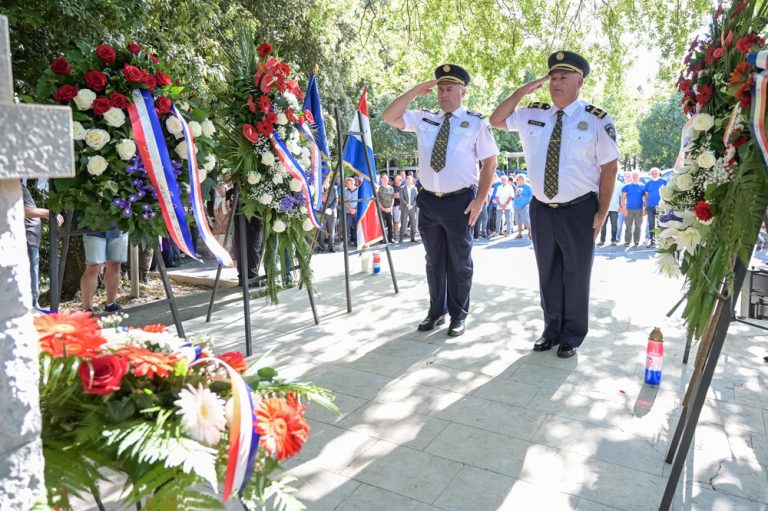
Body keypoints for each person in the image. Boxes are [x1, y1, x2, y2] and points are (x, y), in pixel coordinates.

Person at [490, 50, 619, 357]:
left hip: (579, 208)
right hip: (542, 207)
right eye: (553, 77)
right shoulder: (532, 113)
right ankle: (551, 329)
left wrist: (602, 210)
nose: (556, 83)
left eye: (563, 77)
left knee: (575, 273)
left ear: (580, 82)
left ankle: (572, 336)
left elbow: (609, 167)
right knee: (547, 272)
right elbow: (497, 120)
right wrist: (522, 92)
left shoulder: (596, 119)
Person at [383, 63, 499, 337]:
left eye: (449, 89)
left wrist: (480, 199)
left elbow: (490, 162)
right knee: (434, 261)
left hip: (460, 202)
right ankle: (436, 311)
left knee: (460, 261)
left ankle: (459, 314)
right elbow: (390, 116)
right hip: (429, 201)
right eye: (440, 89)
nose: (443, 94)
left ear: (463, 92)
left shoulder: (475, 122)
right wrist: (414, 91)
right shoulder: (425, 118)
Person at [22, 181, 63, 308]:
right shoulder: (8, 182)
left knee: (31, 282)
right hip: (24, 239)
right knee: (29, 284)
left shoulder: (17, 183)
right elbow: (14, 210)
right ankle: (32, 309)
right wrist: (46, 213)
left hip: (30, 238)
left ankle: (34, 306)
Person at [81, 229, 129, 312]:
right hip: (93, 228)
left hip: (119, 228)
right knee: (93, 266)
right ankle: (87, 309)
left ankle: (111, 305)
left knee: (115, 264)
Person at [226, 187, 262, 285]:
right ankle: (242, 277)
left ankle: (252, 278)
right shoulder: (231, 192)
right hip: (238, 223)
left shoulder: (253, 189)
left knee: (252, 250)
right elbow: (229, 207)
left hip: (252, 224)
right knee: (239, 250)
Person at [620, 171, 645, 247]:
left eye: (636, 175)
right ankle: (627, 241)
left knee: (638, 227)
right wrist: (623, 209)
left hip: (639, 210)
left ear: (639, 176)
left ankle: (636, 241)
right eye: (633, 175)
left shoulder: (643, 186)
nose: (635, 176)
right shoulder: (626, 187)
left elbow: (645, 199)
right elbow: (623, 199)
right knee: (628, 226)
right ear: (631, 176)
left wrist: (645, 209)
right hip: (629, 209)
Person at [644, 167, 667, 247]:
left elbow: (668, 194)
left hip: (661, 206)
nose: (654, 175)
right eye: (652, 173)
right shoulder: (648, 183)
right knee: (651, 224)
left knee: (661, 224)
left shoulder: (664, 182)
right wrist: (646, 206)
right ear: (650, 174)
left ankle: (661, 240)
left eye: (655, 173)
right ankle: (652, 241)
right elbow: (646, 196)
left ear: (659, 173)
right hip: (650, 206)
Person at [598, 175, 623, 246]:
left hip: (615, 208)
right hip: (604, 208)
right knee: (602, 225)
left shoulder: (619, 184)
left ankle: (613, 240)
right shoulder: (603, 182)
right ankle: (602, 240)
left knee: (614, 225)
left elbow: (621, 196)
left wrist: (621, 206)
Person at [399, 175, 419, 243]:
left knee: (413, 224)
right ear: (406, 180)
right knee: (403, 224)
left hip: (412, 209)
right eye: (407, 180)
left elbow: (416, 199)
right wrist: (407, 205)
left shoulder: (414, 188)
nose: (409, 181)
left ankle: (412, 238)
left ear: (412, 181)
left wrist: (412, 205)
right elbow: (401, 198)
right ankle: (401, 239)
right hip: (404, 208)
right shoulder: (402, 188)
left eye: (410, 180)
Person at [513, 173, 533, 239]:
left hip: (524, 206)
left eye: (518, 179)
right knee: (518, 221)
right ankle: (519, 233)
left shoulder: (528, 187)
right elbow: (517, 196)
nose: (517, 181)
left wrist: (529, 204)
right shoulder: (518, 187)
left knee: (527, 221)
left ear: (522, 179)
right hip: (516, 206)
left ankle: (530, 233)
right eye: (517, 179)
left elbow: (533, 196)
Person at [376, 173, 396, 242]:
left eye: (386, 179)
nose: (385, 180)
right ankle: (382, 239)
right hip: (381, 209)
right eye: (384, 179)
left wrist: (390, 208)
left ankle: (390, 238)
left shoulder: (391, 188)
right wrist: (383, 208)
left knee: (390, 224)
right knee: (382, 225)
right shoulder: (379, 188)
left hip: (389, 209)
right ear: (381, 179)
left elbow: (393, 198)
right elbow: (377, 200)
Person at [320, 181, 338, 252]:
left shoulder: (333, 188)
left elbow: (336, 199)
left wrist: (331, 208)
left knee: (331, 231)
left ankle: (331, 247)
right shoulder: (319, 188)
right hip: (321, 212)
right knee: (321, 231)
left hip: (331, 213)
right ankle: (321, 247)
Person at [342, 176, 358, 246]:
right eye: (348, 183)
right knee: (347, 227)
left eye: (351, 183)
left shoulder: (358, 190)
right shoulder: (345, 190)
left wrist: (355, 209)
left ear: (354, 183)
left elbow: (361, 201)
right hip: (348, 211)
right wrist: (350, 209)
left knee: (356, 226)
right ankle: (346, 242)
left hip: (356, 211)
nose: (350, 184)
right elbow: (344, 201)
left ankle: (356, 241)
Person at [392, 174, 403, 242]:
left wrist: (399, 195)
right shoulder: (392, 187)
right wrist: (396, 195)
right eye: (400, 179)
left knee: (397, 221)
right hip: (394, 206)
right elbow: (394, 196)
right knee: (395, 221)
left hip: (400, 206)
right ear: (395, 180)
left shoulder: (402, 187)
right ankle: (394, 234)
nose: (401, 181)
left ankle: (396, 233)